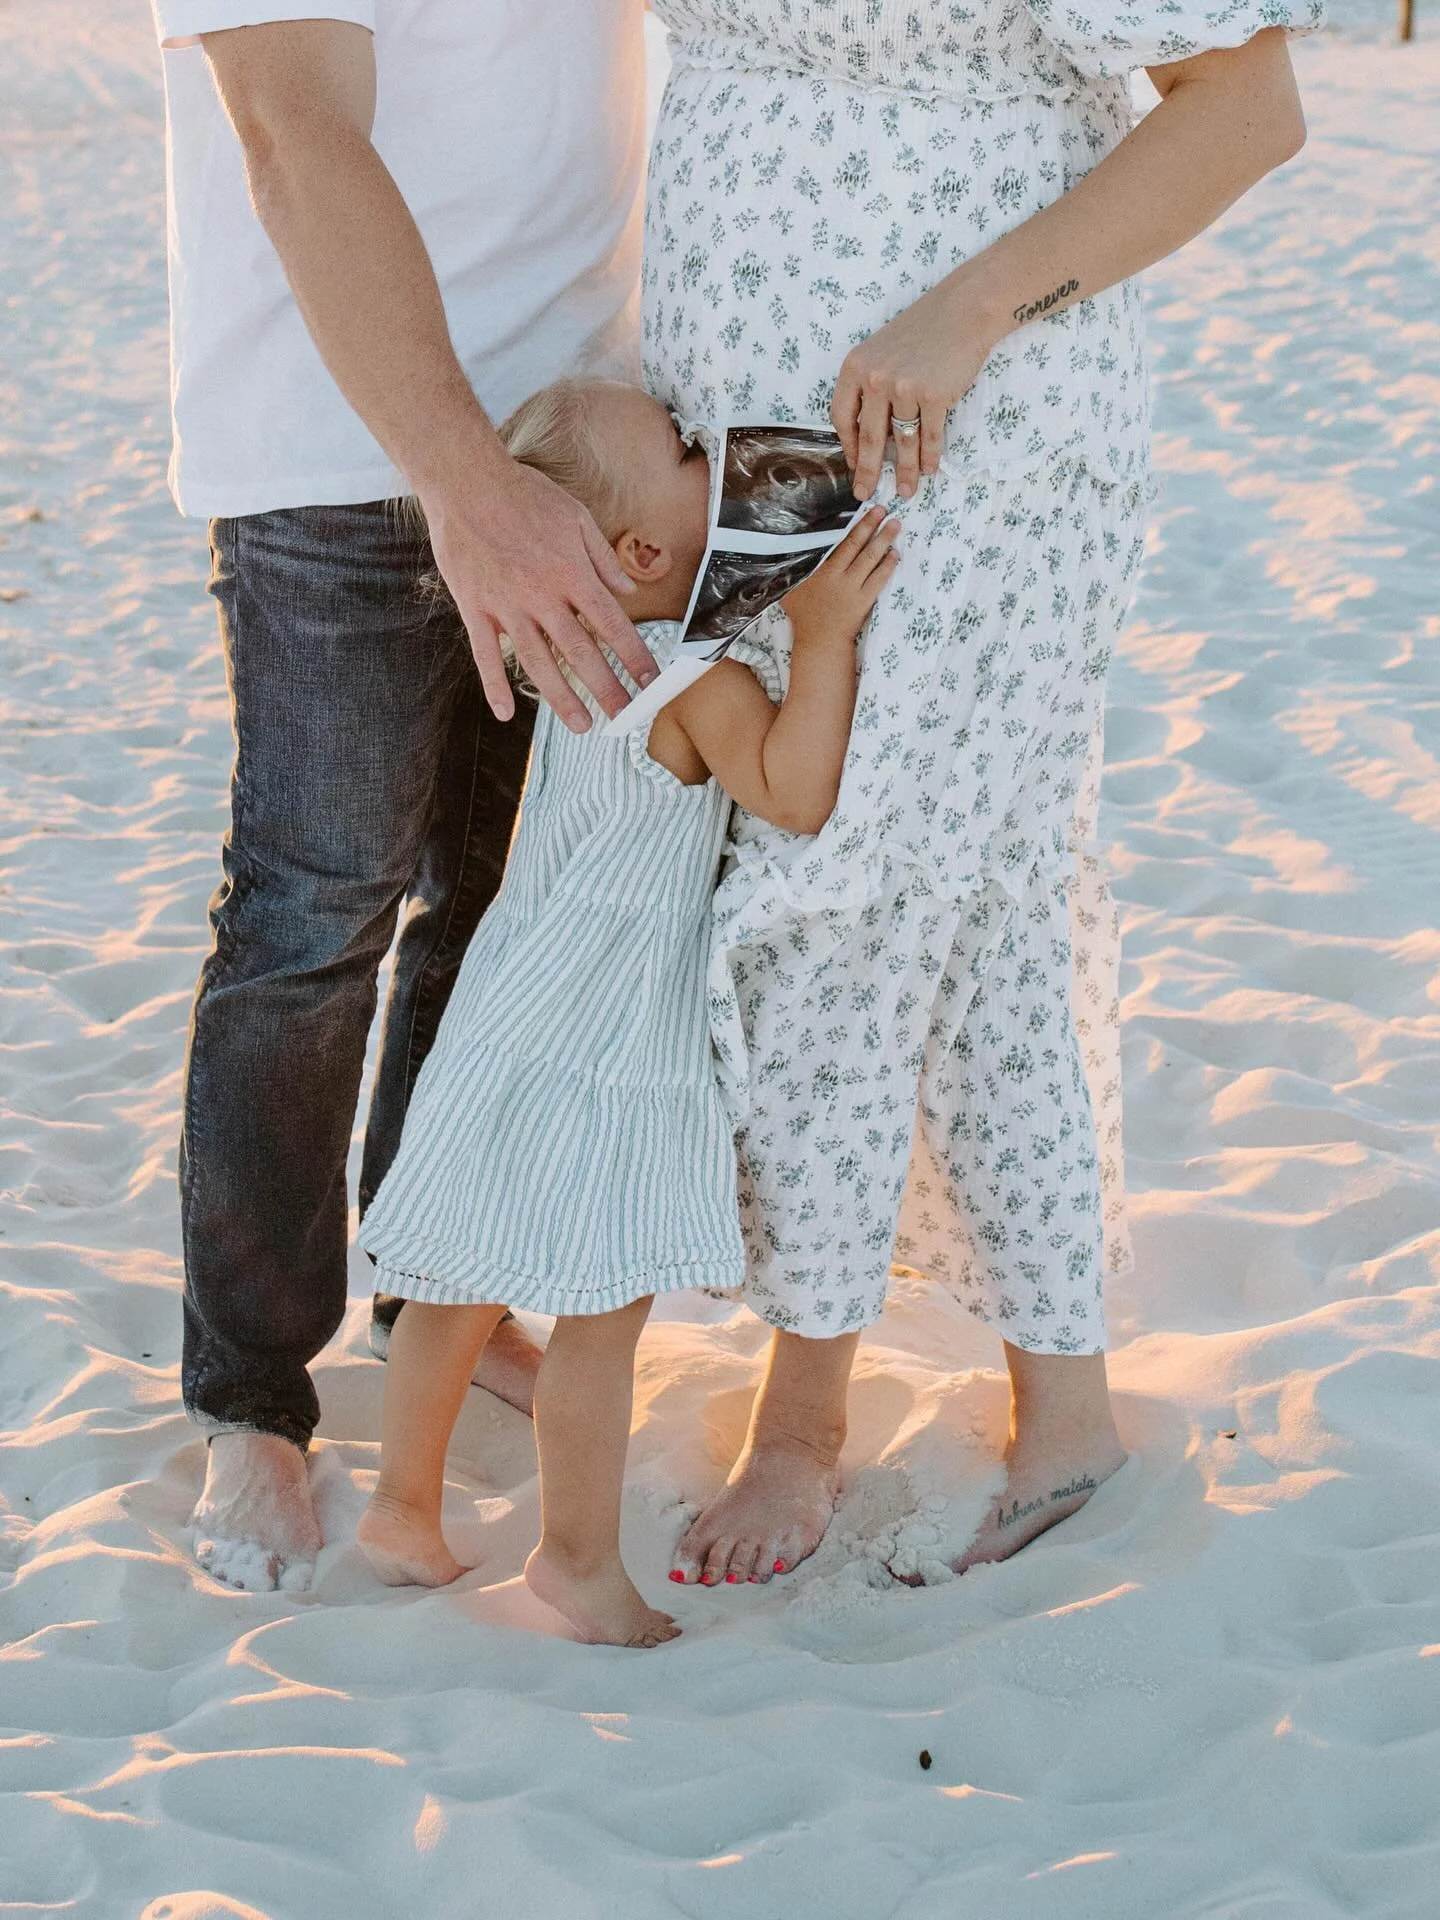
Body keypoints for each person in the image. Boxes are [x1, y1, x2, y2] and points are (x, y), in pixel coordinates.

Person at [641, 0, 1322, 1586]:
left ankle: (811, 1414)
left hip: (966, 445)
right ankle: (1053, 1400)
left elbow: (1250, 109)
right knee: (907, 879)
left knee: (857, 884)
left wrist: (970, 311)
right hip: (744, 431)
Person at [151, 0, 656, 1592]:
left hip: (578, 437)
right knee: (313, 922)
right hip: (343, 452)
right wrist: (466, 482)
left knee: (498, 915)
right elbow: (294, 134)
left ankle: (434, 1290)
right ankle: (251, 1397)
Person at [353, 379, 901, 1647]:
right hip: (607, 1036)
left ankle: (401, 1509)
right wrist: (823, 634)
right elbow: (794, 795)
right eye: (687, 449)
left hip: (510, 1009)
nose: (713, 452)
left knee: (457, 1280)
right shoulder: (693, 682)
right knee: (601, 1319)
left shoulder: (570, 659)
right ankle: (577, 1562)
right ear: (646, 553)